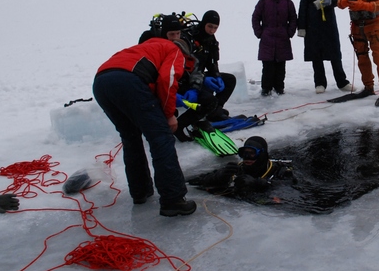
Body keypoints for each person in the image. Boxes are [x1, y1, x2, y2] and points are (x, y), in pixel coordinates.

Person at [92, 37, 197, 217]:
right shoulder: (174, 50)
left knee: (130, 136)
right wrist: (169, 114)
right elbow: (168, 79)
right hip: (129, 80)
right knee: (161, 138)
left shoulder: (148, 47)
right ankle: (173, 200)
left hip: (101, 82)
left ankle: (140, 192)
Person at [297, 0, 352, 94]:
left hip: (329, 25)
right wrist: (301, 26)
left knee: (334, 54)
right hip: (312, 25)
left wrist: (328, 2)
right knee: (316, 55)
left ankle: (342, 82)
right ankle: (320, 83)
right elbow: (303, 5)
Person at [187, 136, 294, 195]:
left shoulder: (279, 171)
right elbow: (194, 181)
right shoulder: (237, 169)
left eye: (252, 153)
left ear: (261, 155)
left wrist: (258, 185)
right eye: (244, 153)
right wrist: (219, 176)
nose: (247, 157)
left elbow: (289, 191)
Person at [252, 0, 297, 96]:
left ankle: (279, 87)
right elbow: (255, 18)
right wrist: (260, 32)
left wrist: (289, 32)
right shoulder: (263, 2)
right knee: (267, 67)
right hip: (267, 39)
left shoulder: (287, 2)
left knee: (280, 67)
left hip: (283, 38)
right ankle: (266, 88)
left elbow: (293, 18)